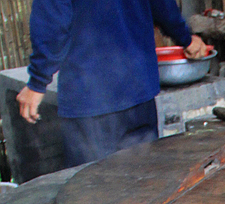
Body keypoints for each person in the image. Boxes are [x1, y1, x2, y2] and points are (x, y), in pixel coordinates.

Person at [17, 0, 207, 167]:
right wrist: (185, 38)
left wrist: (38, 82)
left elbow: (52, 21)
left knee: (93, 187)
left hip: (91, 103)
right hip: (139, 92)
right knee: (145, 179)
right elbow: (163, 5)